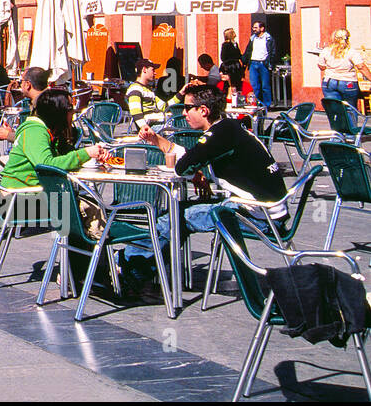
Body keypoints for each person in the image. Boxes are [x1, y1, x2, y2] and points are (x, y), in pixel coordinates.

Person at [122, 82, 288, 300]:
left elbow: (183, 167)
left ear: (203, 110)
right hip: (268, 212)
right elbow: (190, 158)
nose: (183, 113)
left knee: (173, 218)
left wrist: (195, 171)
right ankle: (140, 268)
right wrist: (156, 139)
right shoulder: (228, 128)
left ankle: (128, 268)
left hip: (259, 217)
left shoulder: (219, 135)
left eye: (187, 108)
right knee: (177, 213)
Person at [0, 88, 105, 189]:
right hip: (20, 194)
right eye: (69, 108)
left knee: (90, 206)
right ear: (57, 111)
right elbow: (46, 165)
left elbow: (64, 156)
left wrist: (94, 155)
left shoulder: (50, 131)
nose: (73, 112)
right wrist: (86, 153)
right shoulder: (35, 131)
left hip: (37, 190)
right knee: (88, 207)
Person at [0, 65, 50, 141]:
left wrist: (8, 135)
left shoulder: (42, 105)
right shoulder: (42, 101)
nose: (20, 85)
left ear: (28, 84)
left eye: (21, 82)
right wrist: (12, 133)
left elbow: (36, 138)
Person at [318, 29, 371, 108]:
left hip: (329, 81)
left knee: (334, 110)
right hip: (348, 82)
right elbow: (361, 66)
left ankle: (336, 120)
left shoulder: (326, 51)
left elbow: (321, 67)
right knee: (350, 109)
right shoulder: (351, 52)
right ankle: (349, 120)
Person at [126, 59, 172, 126]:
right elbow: (136, 112)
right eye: (153, 70)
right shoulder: (135, 88)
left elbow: (165, 106)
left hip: (159, 123)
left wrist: (181, 93)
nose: (155, 73)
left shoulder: (149, 90)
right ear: (144, 70)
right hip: (153, 126)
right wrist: (145, 128)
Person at [243, 19, 276, 109]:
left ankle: (266, 105)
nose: (253, 29)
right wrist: (244, 60)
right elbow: (248, 51)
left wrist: (270, 63)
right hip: (253, 63)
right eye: (253, 27)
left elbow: (272, 52)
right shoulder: (253, 38)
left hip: (263, 64)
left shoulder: (268, 38)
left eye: (256, 27)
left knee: (265, 86)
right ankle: (255, 104)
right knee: (254, 86)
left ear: (262, 28)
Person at [219, 28, 244, 95]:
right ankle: (230, 95)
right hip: (230, 66)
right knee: (231, 82)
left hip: (236, 66)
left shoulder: (235, 43)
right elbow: (223, 57)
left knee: (237, 82)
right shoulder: (225, 44)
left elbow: (239, 54)